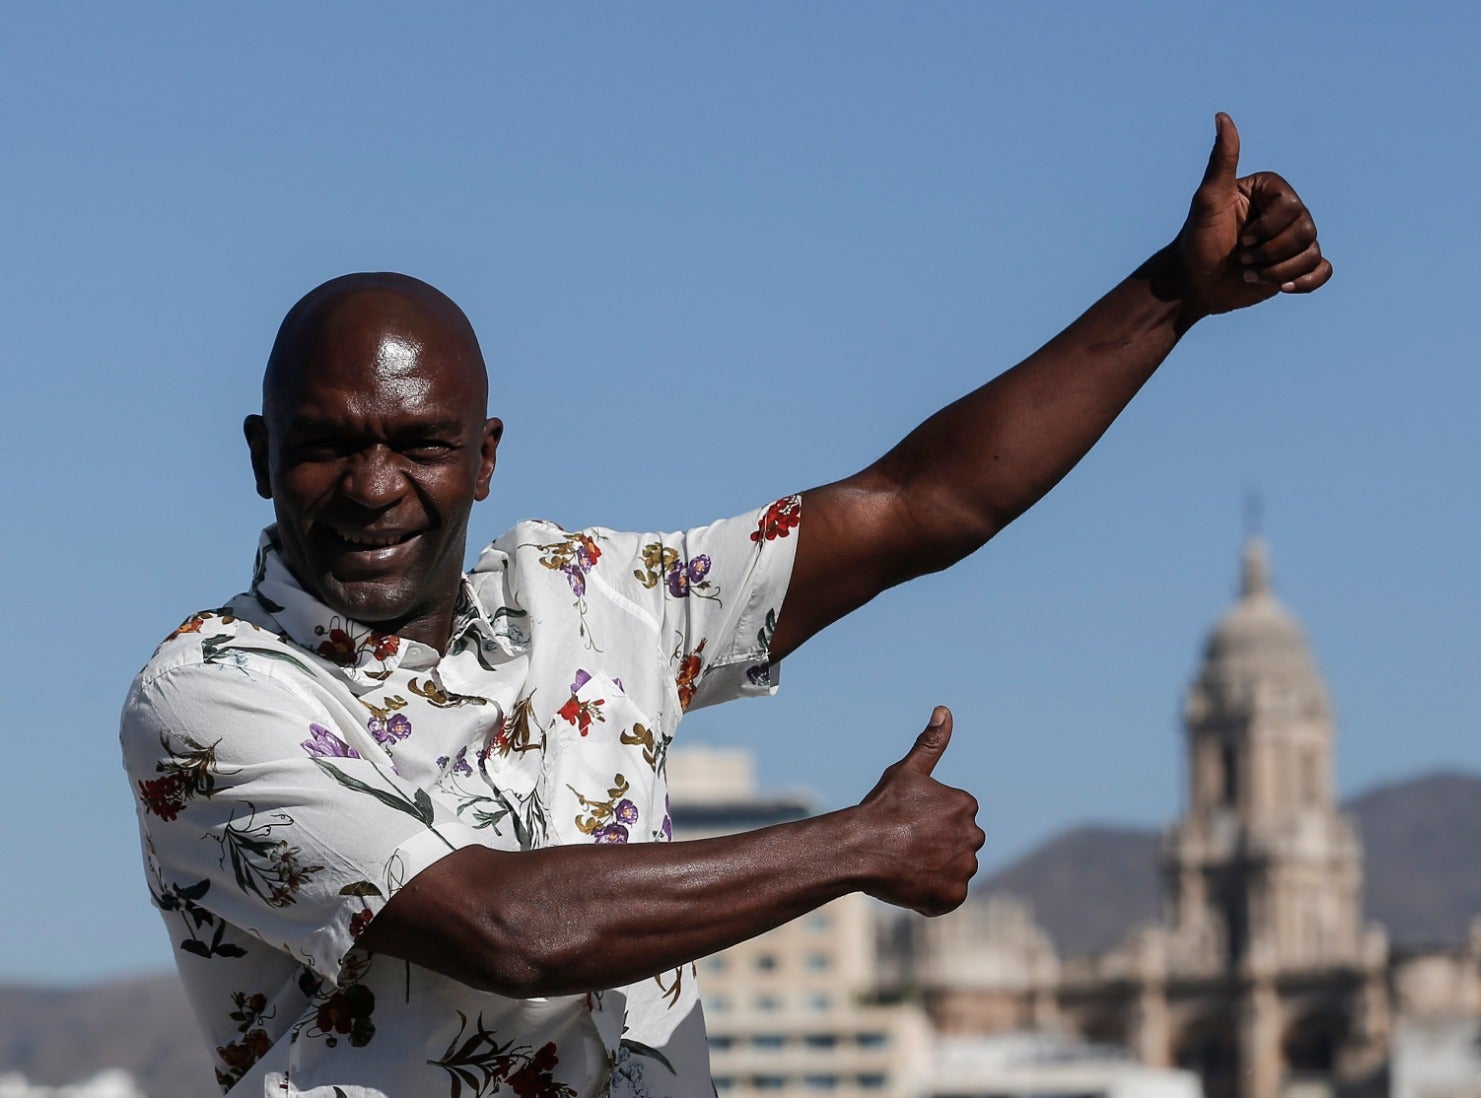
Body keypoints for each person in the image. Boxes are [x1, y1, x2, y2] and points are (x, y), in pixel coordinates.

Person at [122, 114, 1330, 1097]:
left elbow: (921, 502)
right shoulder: (212, 694)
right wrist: (856, 846)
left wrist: (1172, 291)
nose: (376, 487)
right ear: (258, 454)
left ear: (485, 456)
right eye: (326, 446)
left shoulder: (588, 599)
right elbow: (508, 928)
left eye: (421, 444)